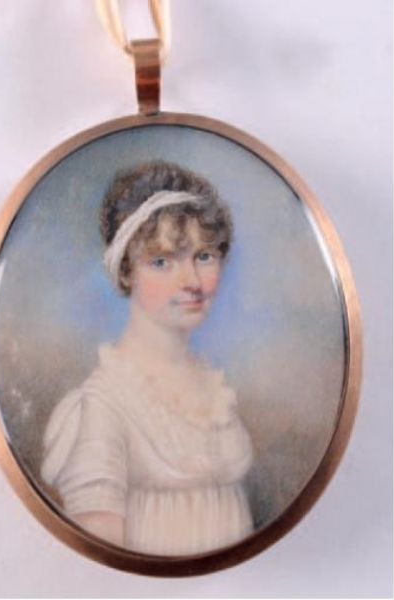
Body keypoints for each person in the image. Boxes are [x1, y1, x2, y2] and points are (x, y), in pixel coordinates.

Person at [40, 160, 254, 556]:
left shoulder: (214, 386)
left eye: (204, 256)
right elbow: (104, 565)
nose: (192, 281)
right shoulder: (102, 407)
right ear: (126, 272)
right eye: (162, 262)